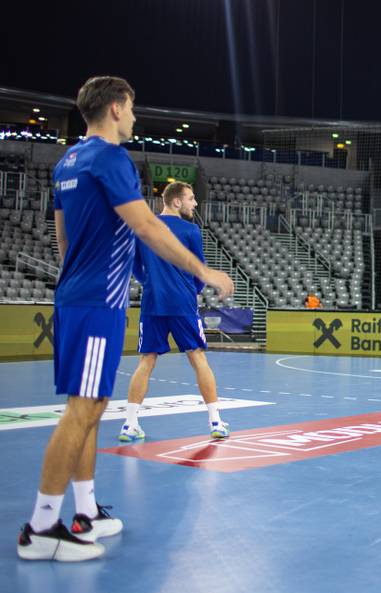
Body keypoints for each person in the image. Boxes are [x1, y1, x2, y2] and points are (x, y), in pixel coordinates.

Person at [17, 76, 233, 562]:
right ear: (115, 108)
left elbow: (62, 236)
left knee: (89, 408)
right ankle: (42, 525)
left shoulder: (68, 160)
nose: (134, 116)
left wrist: (83, 274)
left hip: (77, 293)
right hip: (98, 302)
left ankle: (85, 511)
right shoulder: (111, 158)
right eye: (132, 107)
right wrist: (203, 271)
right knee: (83, 410)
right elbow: (146, 225)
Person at [120, 181, 229, 442]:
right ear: (176, 201)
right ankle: (215, 421)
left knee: (146, 361)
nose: (195, 203)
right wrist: (191, 290)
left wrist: (149, 283)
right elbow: (199, 269)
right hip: (182, 304)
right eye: (191, 199)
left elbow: (135, 266)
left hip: (152, 303)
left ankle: (129, 424)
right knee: (198, 357)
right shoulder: (191, 230)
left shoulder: (143, 228)